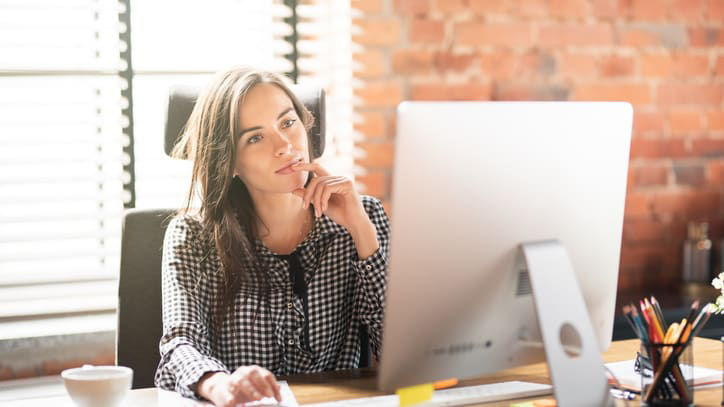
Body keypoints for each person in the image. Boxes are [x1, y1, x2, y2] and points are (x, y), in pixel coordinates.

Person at [154, 66, 390, 407]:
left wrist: (361, 230)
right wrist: (221, 385)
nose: (284, 145)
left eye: (288, 123)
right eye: (255, 137)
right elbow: (180, 343)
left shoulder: (362, 217)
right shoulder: (192, 235)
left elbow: (402, 350)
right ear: (229, 161)